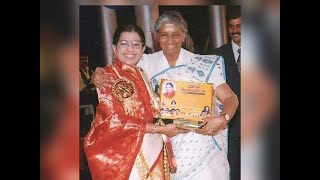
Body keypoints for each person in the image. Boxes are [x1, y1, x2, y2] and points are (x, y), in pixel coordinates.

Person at [93, 11, 239, 180]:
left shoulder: (204, 64)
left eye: (176, 35)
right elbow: (118, 70)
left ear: (183, 35)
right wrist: (97, 74)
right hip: (165, 149)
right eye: (164, 35)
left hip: (204, 148)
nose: (170, 41)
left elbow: (231, 98)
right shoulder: (144, 62)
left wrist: (223, 118)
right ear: (157, 37)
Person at [83, 24, 187, 180]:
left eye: (136, 44)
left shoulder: (142, 72)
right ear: (114, 48)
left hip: (154, 148)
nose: (130, 49)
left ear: (143, 48)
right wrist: (159, 129)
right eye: (123, 44)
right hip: (127, 154)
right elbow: (113, 120)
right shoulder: (108, 76)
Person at [206, 6, 241, 180]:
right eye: (231, 26)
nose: (235, 30)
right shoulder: (216, 57)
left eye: (240, 25)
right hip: (231, 129)